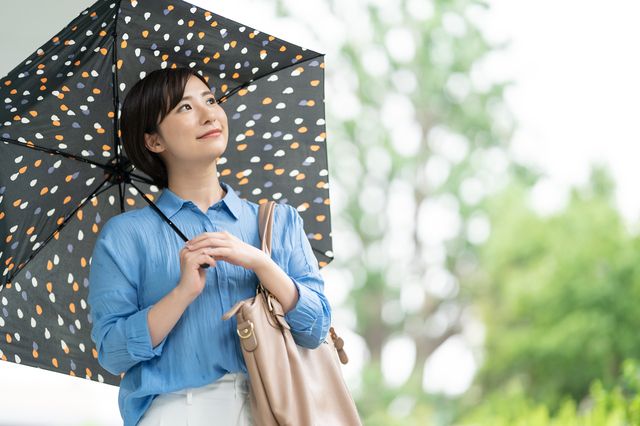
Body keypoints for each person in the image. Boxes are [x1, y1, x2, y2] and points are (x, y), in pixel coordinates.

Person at [87, 67, 332, 426]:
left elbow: (317, 327)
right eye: (185, 108)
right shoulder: (125, 235)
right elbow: (113, 352)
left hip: (271, 408)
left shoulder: (277, 221)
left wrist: (261, 264)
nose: (209, 115)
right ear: (154, 141)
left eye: (211, 100)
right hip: (175, 412)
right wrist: (183, 292)